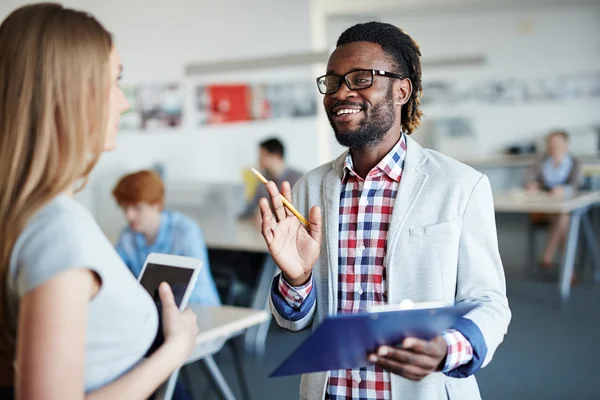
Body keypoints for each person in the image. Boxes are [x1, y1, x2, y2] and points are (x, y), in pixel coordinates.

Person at [259, 22, 511, 400]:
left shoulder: (460, 185)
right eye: (333, 81)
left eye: (361, 79)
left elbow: (489, 303)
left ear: (402, 90)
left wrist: (448, 348)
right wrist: (297, 279)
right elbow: (293, 322)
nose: (341, 92)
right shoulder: (308, 189)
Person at [0, 4, 198, 399]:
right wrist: (175, 349)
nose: (123, 103)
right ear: (70, 95)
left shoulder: (25, 217)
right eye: (115, 81)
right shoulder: (58, 229)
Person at [112, 169, 221, 306]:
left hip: (196, 309)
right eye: (125, 208)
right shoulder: (127, 237)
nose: (129, 216)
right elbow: (115, 278)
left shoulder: (185, 232)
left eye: (137, 208)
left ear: (156, 204)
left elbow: (198, 289)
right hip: (153, 312)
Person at [525, 130, 582, 269]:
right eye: (551, 144)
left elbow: (576, 185)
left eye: (557, 144)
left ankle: (548, 255)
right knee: (563, 219)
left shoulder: (574, 162)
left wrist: (564, 190)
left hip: (563, 207)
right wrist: (532, 185)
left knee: (562, 215)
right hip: (542, 209)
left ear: (566, 144)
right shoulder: (540, 160)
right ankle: (568, 271)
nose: (553, 147)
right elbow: (527, 179)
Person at [239, 137, 303, 219]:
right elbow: (252, 206)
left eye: (263, 155)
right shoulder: (263, 179)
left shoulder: (298, 178)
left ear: (276, 155)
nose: (259, 160)